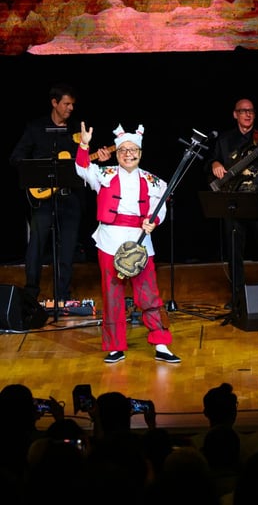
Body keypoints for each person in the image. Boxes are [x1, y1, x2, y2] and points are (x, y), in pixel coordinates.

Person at [75, 122, 179, 364]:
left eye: (133, 151)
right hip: (109, 241)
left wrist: (155, 222)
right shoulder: (105, 174)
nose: (128, 155)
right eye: (123, 150)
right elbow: (81, 168)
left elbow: (159, 207)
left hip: (141, 244)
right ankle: (115, 346)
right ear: (118, 153)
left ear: (140, 154)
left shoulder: (152, 181)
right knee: (112, 295)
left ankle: (161, 342)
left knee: (149, 294)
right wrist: (83, 144)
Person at [9, 83, 111, 305]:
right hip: (43, 200)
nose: (70, 108)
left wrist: (99, 157)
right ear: (54, 103)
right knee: (36, 244)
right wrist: (39, 169)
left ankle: (62, 296)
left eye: (73, 104)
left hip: (71, 198)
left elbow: (85, 162)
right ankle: (30, 293)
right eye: (66, 104)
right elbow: (17, 158)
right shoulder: (36, 128)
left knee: (67, 247)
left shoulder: (77, 129)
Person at [209, 99, 258, 295]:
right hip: (234, 201)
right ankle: (238, 299)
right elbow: (210, 163)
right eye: (243, 111)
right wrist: (215, 163)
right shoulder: (224, 140)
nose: (247, 114)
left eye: (250, 111)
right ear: (235, 114)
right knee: (234, 253)